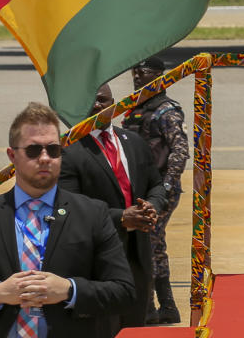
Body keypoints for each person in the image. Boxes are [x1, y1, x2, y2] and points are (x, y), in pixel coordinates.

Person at [0, 102, 136, 338]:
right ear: (12, 155)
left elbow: (124, 292)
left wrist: (69, 290)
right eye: (33, 150)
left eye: (53, 150)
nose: (44, 158)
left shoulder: (93, 214)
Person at [58, 84, 168, 329]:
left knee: (134, 328)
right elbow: (69, 206)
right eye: (90, 101)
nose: (97, 106)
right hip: (95, 262)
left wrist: (152, 206)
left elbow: (156, 185)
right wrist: (121, 217)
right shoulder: (68, 149)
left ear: (113, 104)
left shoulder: (134, 142)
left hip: (137, 258)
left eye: (102, 100)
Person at [121, 56, 188, 325]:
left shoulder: (166, 110)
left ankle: (152, 308)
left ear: (160, 75)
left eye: (144, 71)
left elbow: (180, 151)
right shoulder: (135, 108)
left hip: (160, 190)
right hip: (142, 188)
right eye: (135, 70)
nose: (138, 75)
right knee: (151, 244)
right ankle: (163, 306)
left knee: (149, 243)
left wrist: (167, 186)